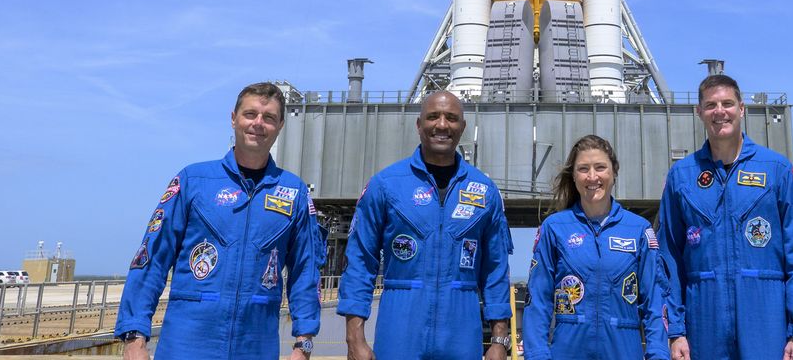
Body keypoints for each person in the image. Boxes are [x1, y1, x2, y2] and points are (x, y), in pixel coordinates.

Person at [114, 82, 324, 360]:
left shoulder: (294, 192)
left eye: (269, 117)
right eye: (250, 114)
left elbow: (306, 270)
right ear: (233, 118)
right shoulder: (193, 181)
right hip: (187, 344)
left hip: (255, 345)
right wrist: (134, 336)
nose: (258, 124)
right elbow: (151, 257)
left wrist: (304, 343)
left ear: (281, 125)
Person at [339, 90, 513, 360]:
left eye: (451, 118)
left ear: (462, 127)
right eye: (433, 117)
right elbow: (360, 261)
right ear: (419, 125)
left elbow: (496, 269)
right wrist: (354, 337)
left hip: (461, 329)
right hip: (400, 326)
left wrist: (500, 340)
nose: (442, 125)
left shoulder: (485, 191)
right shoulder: (386, 185)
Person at [657, 73, 793, 360]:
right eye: (711, 105)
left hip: (766, 321)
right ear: (699, 112)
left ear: (741, 109)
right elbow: (669, 257)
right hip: (703, 323)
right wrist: (675, 331)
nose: (720, 112)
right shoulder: (682, 177)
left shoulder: (777, 170)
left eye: (727, 103)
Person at [524, 134, 672, 360]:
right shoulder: (554, 228)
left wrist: (658, 354)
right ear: (573, 176)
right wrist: (537, 355)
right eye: (583, 169)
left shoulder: (639, 230)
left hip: (623, 350)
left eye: (600, 167)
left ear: (614, 172)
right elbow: (538, 300)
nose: (592, 177)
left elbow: (654, 300)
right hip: (568, 350)